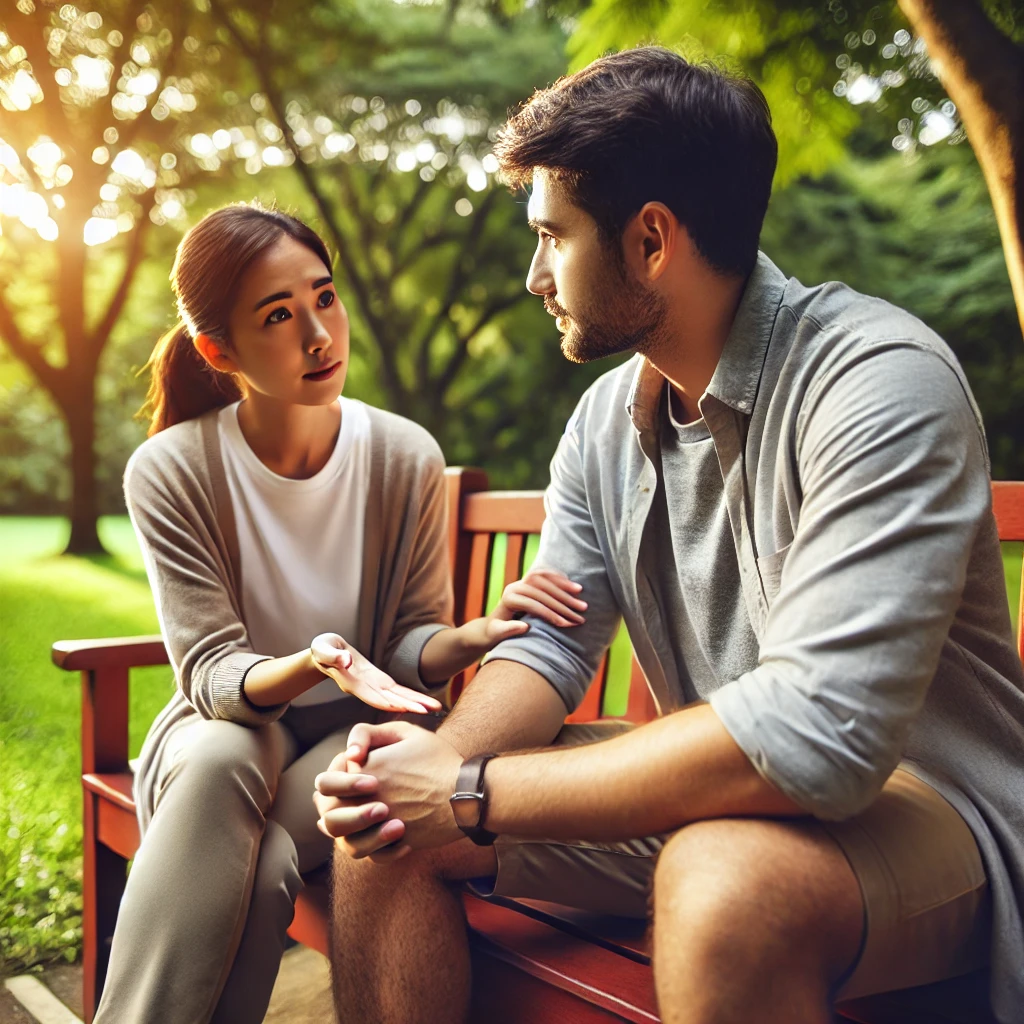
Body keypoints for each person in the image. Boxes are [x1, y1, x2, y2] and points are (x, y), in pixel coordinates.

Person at [314, 48, 1024, 1024]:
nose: (533, 277)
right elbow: (551, 640)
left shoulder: (878, 380)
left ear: (650, 240)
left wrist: (472, 790)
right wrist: (426, 769)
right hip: (721, 789)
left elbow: (819, 738)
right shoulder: (606, 421)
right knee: (386, 834)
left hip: (931, 808)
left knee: (725, 880)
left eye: (552, 238)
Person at [93, 202, 585, 1024]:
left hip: (346, 735)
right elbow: (212, 674)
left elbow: (406, 643)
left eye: (325, 297)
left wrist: (468, 637)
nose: (319, 334)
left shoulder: (402, 455)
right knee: (223, 760)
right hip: (219, 732)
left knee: (263, 858)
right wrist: (315, 659)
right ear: (220, 350)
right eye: (279, 316)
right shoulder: (170, 470)